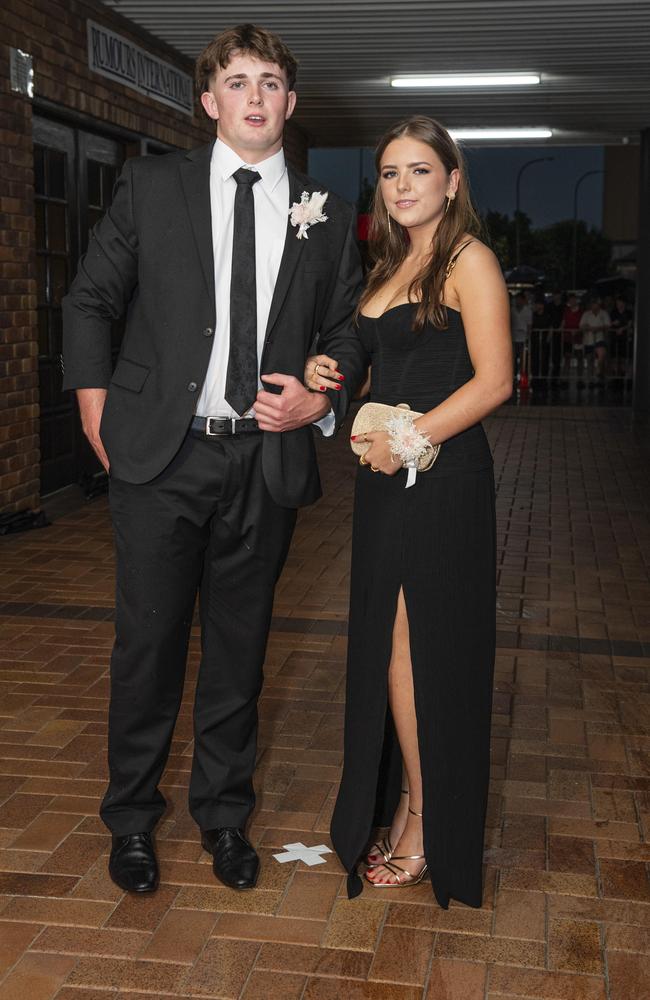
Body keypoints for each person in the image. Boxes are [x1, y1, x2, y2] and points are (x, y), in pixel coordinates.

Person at [62, 23, 366, 895]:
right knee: (147, 646)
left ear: (290, 102)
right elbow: (89, 301)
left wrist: (322, 393)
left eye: (270, 81)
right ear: (210, 101)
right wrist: (96, 405)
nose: (256, 97)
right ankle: (131, 821)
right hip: (160, 457)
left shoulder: (326, 214)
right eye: (238, 82)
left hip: (263, 462)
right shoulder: (151, 186)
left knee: (240, 649)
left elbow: (345, 329)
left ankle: (225, 817)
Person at [307, 115, 511, 908]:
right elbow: (378, 362)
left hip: (443, 476)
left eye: (419, 171)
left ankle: (424, 821)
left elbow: (494, 382)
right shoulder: (391, 262)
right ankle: (407, 802)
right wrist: (334, 369)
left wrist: (410, 439)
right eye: (390, 173)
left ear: (452, 181)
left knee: (425, 652)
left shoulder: (470, 260)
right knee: (390, 651)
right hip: (387, 481)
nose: (402, 186)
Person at [579, 296, 610, 386]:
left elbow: (608, 325)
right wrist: (589, 328)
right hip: (588, 340)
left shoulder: (604, 313)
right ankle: (591, 380)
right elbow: (581, 326)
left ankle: (599, 374)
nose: (594, 305)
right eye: (592, 304)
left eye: (596, 303)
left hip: (600, 338)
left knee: (601, 355)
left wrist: (598, 328)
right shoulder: (586, 314)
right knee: (590, 360)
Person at [608, 294, 633, 379]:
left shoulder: (629, 312)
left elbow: (630, 324)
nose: (619, 304)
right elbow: (609, 324)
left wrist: (622, 328)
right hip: (615, 339)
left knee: (624, 358)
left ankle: (624, 377)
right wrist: (613, 323)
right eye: (617, 302)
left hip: (625, 339)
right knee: (615, 358)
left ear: (624, 303)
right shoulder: (613, 312)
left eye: (620, 302)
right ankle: (615, 377)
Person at [510, 291, 532, 388]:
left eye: (519, 299)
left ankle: (523, 379)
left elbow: (530, 325)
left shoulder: (528, 311)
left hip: (523, 339)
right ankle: (513, 378)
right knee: (513, 360)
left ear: (523, 300)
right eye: (516, 300)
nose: (517, 301)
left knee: (523, 361)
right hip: (513, 338)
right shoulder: (512, 310)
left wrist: (528, 337)